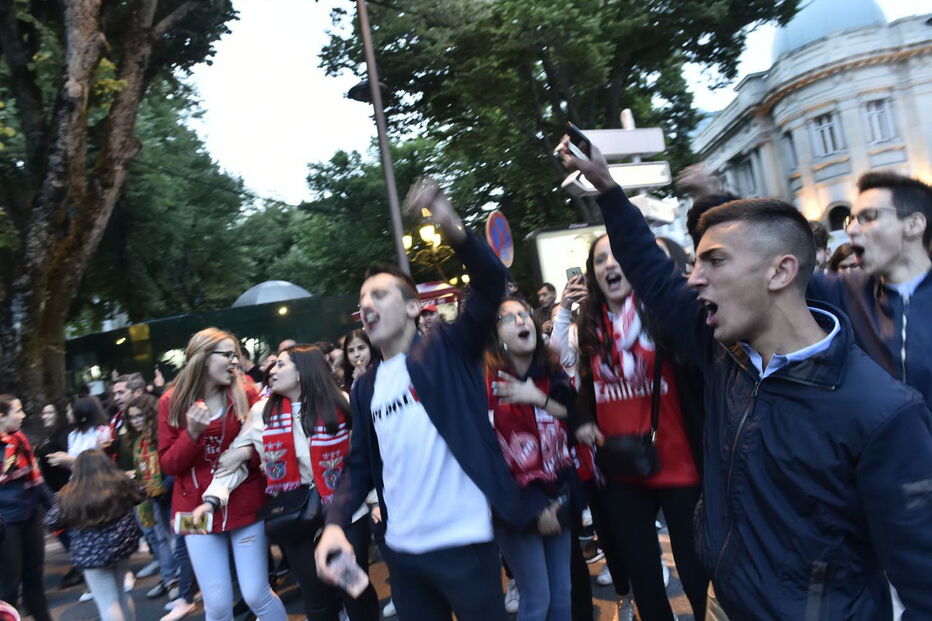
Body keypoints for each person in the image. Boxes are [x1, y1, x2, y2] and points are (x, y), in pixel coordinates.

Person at [559, 138, 932, 618]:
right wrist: (608, 189)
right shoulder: (723, 355)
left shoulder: (884, 414)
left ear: (780, 271)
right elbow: (653, 274)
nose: (693, 279)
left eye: (714, 261)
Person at [316, 179, 553, 620]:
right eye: (363, 298)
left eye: (380, 294)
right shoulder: (365, 387)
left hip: (465, 545)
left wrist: (453, 228)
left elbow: (489, 283)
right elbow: (359, 464)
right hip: (403, 555)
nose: (368, 303)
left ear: (412, 308)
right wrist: (334, 525)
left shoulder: (448, 348)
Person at [573, 234, 707, 621]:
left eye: (618, 256)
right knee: (643, 574)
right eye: (600, 260)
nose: (609, 266)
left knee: (696, 569)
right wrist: (583, 420)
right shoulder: (589, 325)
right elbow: (586, 385)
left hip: (679, 464)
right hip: (621, 469)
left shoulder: (663, 315)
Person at [193, 345, 380, 621]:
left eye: (281, 365)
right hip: (298, 518)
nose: (272, 370)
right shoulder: (263, 413)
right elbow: (234, 462)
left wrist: (374, 498)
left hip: (343, 514)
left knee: (352, 586)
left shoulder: (339, 403)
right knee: (316, 597)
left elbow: (363, 457)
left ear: (303, 371)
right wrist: (211, 500)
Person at [157, 327, 286, 621]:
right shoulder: (170, 401)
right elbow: (169, 466)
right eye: (227, 355)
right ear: (202, 358)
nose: (235, 362)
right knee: (216, 604)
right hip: (193, 509)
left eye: (237, 355)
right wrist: (191, 434)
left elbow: (268, 448)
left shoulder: (248, 393)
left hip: (244, 501)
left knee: (256, 593)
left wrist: (246, 452)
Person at [486, 297, 577, 620]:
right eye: (508, 318)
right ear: (496, 336)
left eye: (524, 313)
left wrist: (538, 397)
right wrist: (535, 509)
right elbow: (487, 459)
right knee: (538, 600)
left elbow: (578, 419)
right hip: (517, 507)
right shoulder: (487, 382)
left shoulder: (552, 368)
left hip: (559, 495)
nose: (522, 320)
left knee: (563, 599)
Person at [809, 172, 932, 408]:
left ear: (914, 224)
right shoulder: (842, 290)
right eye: (851, 220)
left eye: (868, 217)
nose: (852, 230)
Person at [46, 450, 142, 621]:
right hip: (121, 548)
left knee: (108, 603)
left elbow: (51, 521)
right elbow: (141, 493)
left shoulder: (69, 494)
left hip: (91, 556)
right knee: (121, 594)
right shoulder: (121, 484)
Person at [0, 395, 53, 621]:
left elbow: (36, 480)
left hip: (31, 516)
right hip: (5, 524)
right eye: (17, 411)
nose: (23, 416)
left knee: (34, 579)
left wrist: (56, 507)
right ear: (1, 416)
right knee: (9, 588)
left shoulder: (21, 441)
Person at [124, 394, 178, 599]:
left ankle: (185, 583)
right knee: (161, 540)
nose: (136, 421)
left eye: (140, 416)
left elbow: (173, 466)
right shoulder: (137, 440)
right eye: (132, 418)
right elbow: (142, 469)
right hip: (151, 498)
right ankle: (169, 579)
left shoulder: (161, 436)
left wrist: (163, 487)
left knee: (177, 540)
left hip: (170, 495)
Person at [341, 329, 382, 393]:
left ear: (371, 348)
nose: (356, 354)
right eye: (351, 351)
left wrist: (364, 380)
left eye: (361, 348)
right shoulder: (348, 379)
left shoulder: (383, 370)